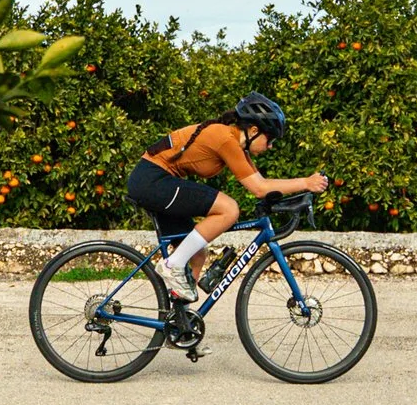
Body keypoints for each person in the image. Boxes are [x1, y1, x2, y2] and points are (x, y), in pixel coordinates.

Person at [126, 92, 327, 300]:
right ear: (254, 130)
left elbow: (263, 185)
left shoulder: (237, 146)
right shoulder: (225, 139)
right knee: (229, 208)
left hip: (157, 180)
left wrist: (298, 189)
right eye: (270, 139)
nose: (270, 146)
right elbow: (259, 188)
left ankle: (179, 322)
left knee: (197, 254)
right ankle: (171, 265)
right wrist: (306, 183)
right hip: (152, 179)